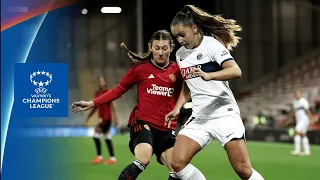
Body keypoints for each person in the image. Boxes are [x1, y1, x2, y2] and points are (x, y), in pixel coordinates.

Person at [71, 30, 187, 180]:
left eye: (164, 48)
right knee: (144, 158)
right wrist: (92, 103)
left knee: (177, 168)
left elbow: (189, 90)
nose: (160, 53)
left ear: (171, 48)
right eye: (157, 48)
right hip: (143, 123)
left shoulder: (178, 71)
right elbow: (119, 89)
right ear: (150, 47)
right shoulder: (140, 69)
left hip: (166, 129)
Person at [165, 5, 264, 180]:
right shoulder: (180, 55)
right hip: (200, 116)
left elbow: (235, 71)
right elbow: (188, 84)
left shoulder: (211, 45)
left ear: (194, 28)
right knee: (177, 162)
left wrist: (210, 75)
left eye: (182, 34)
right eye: (176, 37)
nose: (179, 40)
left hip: (224, 114)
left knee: (243, 169)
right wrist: (178, 107)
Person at [84, 76, 119, 164]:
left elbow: (113, 105)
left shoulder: (108, 92)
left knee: (96, 134)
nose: (100, 83)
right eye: (99, 82)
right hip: (101, 118)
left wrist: (116, 117)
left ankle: (99, 157)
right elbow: (95, 107)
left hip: (106, 118)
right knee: (107, 136)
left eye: (102, 81)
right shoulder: (97, 93)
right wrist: (88, 117)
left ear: (105, 83)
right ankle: (112, 158)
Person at [286, 90, 313, 156]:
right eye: (296, 94)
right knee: (303, 134)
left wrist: (311, 119)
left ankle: (297, 150)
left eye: (298, 94)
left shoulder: (303, 101)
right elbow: (294, 112)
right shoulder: (295, 102)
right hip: (299, 120)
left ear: (300, 94)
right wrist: (289, 119)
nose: (297, 95)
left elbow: (307, 110)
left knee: (297, 131)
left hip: (304, 120)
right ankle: (307, 151)